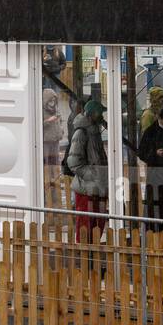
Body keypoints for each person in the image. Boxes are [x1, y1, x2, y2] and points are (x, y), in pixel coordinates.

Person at [66, 99, 108, 241]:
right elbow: (73, 162)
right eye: (99, 113)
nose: (101, 116)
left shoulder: (95, 132)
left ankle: (92, 254)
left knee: (98, 223)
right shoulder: (81, 133)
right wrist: (92, 175)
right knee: (86, 224)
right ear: (92, 114)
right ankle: (84, 257)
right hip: (86, 188)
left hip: (98, 186)